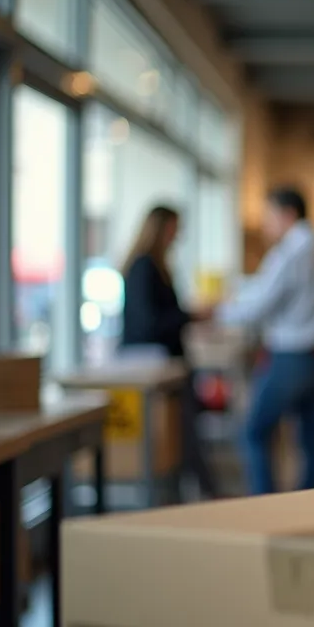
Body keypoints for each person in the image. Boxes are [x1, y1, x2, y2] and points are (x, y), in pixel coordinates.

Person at [213, 187, 314, 495]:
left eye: (269, 216)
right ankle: (308, 505)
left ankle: (266, 505)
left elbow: (258, 306)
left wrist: (216, 312)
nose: (266, 225)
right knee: (310, 440)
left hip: (293, 358)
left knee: (254, 432)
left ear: (288, 214)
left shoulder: (290, 252)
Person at [120, 205, 219, 499]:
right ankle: (204, 493)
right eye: (175, 228)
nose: (178, 235)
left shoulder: (156, 266)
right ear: (161, 228)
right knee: (181, 435)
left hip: (168, 364)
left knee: (184, 434)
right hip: (156, 367)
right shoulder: (145, 267)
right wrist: (190, 316)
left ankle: (199, 492)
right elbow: (149, 322)